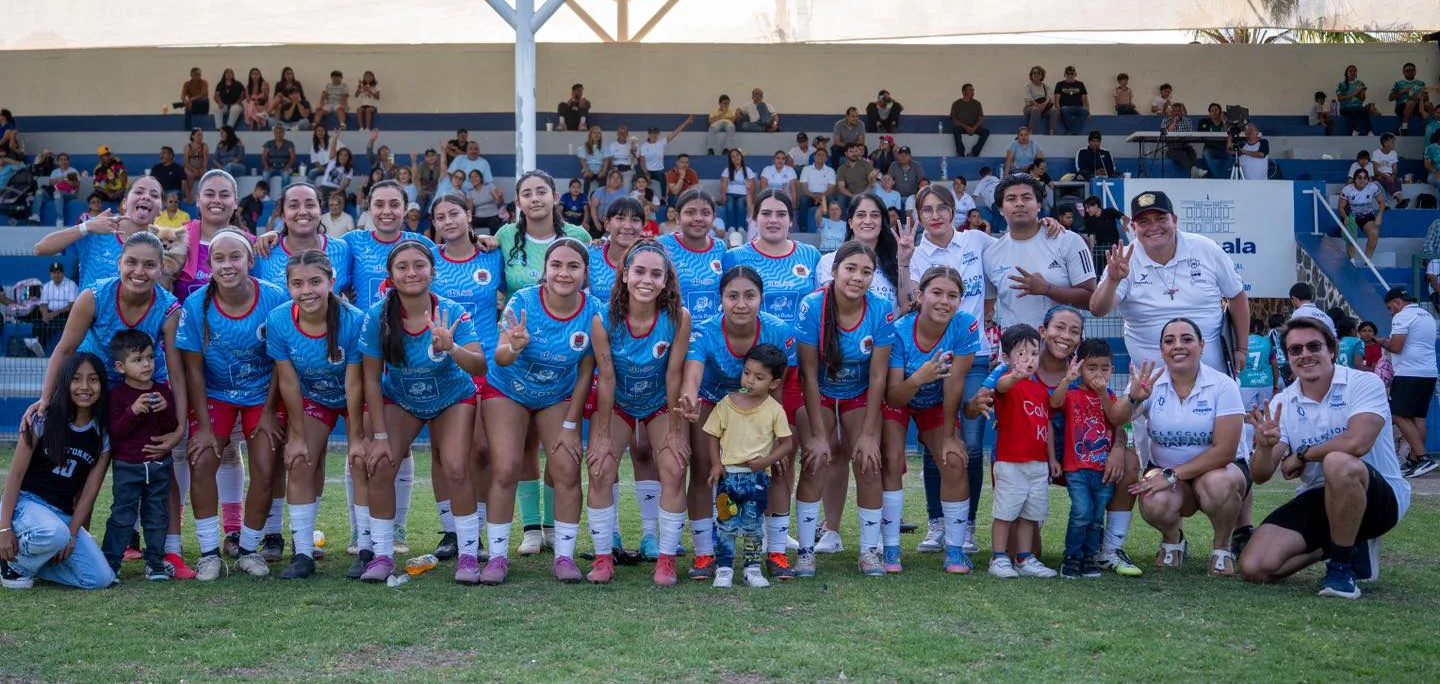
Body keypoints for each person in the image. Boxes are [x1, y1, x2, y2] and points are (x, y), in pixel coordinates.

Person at [1241, 317, 1412, 599]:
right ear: (1288, 358)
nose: (1305, 354)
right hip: (1320, 495)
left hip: (1377, 497)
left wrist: (1303, 454)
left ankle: (1340, 569)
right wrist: (1263, 445)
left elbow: (1357, 442)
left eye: (1313, 346)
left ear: (1331, 350)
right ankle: (1342, 543)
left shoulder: (1364, 383)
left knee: (1338, 462)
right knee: (1255, 567)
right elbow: (1260, 475)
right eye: (1295, 350)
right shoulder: (1283, 401)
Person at [356, 240, 487, 583]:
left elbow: (478, 366)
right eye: (402, 267)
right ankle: (383, 556)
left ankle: (469, 556)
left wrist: (451, 346)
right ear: (391, 275)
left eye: (419, 265)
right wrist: (380, 435)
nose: (411, 272)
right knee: (382, 465)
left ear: (433, 271)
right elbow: (370, 378)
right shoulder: (376, 317)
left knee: (457, 468)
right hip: (401, 399)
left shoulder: (452, 310)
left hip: (452, 398)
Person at [479, 238, 604, 584]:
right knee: (505, 467)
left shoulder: (594, 310)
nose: (564, 273)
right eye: (557, 265)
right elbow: (501, 357)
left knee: (566, 467)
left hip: (557, 395)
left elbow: (585, 372)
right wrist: (515, 347)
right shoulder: (522, 302)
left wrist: (569, 424)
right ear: (545, 270)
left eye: (573, 266)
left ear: (585, 272)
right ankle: (498, 558)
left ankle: (564, 557)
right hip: (508, 389)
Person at [177, 229, 290, 579]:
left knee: (266, 464)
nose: (227, 265)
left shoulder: (274, 298)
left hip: (262, 394)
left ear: (250, 261)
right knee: (203, 458)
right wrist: (207, 429)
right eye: (219, 259)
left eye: (235, 257)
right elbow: (193, 370)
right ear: (209, 265)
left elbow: (280, 362)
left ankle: (247, 549)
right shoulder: (197, 305)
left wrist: (270, 412)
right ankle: (209, 553)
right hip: (215, 394)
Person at [679, 266, 799, 582]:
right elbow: (692, 373)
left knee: (778, 468)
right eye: (733, 296)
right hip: (712, 401)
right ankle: (706, 553)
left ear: (761, 298)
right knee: (705, 469)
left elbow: (782, 387)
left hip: (763, 407)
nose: (741, 304)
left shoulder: (777, 330)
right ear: (720, 299)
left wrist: (777, 438)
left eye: (750, 296)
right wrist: (689, 397)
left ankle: (775, 552)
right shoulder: (705, 331)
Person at [585, 238, 692, 583]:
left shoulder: (678, 317)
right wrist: (600, 436)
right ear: (626, 274)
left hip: (660, 403)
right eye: (640, 271)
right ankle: (603, 559)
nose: (647, 280)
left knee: (674, 468)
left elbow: (674, 375)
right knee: (600, 468)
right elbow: (607, 378)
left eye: (656, 274)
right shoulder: (603, 319)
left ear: (666, 281)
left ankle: (666, 559)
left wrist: (676, 432)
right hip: (618, 403)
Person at [1118, 318, 1249, 575]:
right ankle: (1173, 539)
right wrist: (1133, 397)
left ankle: (1222, 546)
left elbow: (1225, 451)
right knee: (1152, 497)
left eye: (1187, 339)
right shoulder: (1149, 382)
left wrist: (1171, 476)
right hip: (1168, 473)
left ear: (1202, 345)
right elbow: (1118, 419)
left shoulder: (1223, 385)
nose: (1178, 346)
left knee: (1217, 484)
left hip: (1219, 472)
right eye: (1169, 341)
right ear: (1162, 350)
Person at [794, 242, 894, 576]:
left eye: (866, 271)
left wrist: (868, 434)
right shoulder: (812, 305)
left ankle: (868, 552)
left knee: (868, 463)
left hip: (858, 393)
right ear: (835, 271)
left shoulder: (881, 308)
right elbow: (807, 373)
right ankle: (806, 551)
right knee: (815, 460)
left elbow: (879, 375)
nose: (858, 277)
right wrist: (819, 435)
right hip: (819, 391)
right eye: (851, 269)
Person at [265, 249, 365, 579]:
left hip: (355, 394)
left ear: (331, 282)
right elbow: (288, 382)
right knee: (299, 461)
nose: (306, 290)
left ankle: (367, 548)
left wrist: (355, 440)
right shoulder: (279, 320)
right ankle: (303, 554)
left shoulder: (353, 320)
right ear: (288, 286)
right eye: (297, 284)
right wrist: (296, 435)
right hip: (314, 397)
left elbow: (355, 383)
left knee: (362, 461)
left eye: (315, 282)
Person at [905, 186, 995, 554]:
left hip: (976, 357)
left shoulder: (977, 241)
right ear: (919, 215)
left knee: (971, 446)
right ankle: (937, 523)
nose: (936, 215)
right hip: (934, 362)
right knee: (935, 442)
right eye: (927, 209)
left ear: (955, 210)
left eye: (943, 208)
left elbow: (991, 292)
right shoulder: (916, 254)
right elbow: (910, 304)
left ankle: (967, 525)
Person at [887, 266, 980, 574]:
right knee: (890, 459)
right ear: (920, 295)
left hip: (935, 404)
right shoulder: (900, 330)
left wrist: (952, 435)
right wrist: (920, 377)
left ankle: (954, 549)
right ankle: (889, 548)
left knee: (953, 459)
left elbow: (955, 382)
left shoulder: (965, 325)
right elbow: (894, 396)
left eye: (952, 296)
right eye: (937, 293)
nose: (944, 301)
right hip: (899, 399)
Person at [0, 353, 115, 590]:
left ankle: (33, 563)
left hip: (61, 515)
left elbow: (90, 492)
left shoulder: (101, 434)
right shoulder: (42, 419)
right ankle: (12, 567)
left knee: (100, 579)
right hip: (27, 505)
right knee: (54, 534)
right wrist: (4, 527)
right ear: (64, 383)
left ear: (102, 385)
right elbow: (16, 476)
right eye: (76, 379)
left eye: (93, 380)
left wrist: (72, 534)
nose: (85, 387)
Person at [701, 343, 794, 588]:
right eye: (747, 373)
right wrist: (716, 464)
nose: (750, 380)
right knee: (726, 525)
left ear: (773, 383)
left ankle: (752, 569)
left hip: (757, 481)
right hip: (728, 478)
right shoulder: (726, 403)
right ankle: (724, 568)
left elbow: (787, 444)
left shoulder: (775, 410)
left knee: (754, 526)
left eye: (759, 377)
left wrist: (766, 461)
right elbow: (712, 434)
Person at [99, 329, 179, 581]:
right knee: (122, 515)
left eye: (150, 357)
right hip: (127, 467)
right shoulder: (117, 396)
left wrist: (165, 410)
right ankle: (110, 564)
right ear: (121, 367)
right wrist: (133, 411)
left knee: (156, 515)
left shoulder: (163, 391)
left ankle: (155, 563)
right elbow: (116, 432)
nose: (146, 364)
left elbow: (169, 427)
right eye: (138, 360)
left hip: (158, 466)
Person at [986, 324, 1058, 579]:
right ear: (1006, 357)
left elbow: (1046, 424)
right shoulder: (1007, 382)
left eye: (1034, 353)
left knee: (1030, 514)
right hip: (1011, 462)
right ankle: (999, 557)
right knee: (1005, 512)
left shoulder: (1039, 389)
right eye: (1021, 353)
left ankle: (1025, 559)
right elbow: (1002, 387)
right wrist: (1014, 375)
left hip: (1037, 464)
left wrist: (1051, 458)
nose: (1029, 359)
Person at [1049, 338, 1125, 579]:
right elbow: (1054, 403)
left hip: (1104, 470)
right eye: (1091, 368)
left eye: (1105, 368)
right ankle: (1071, 557)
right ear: (1079, 367)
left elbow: (1116, 420)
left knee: (1095, 516)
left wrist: (1103, 393)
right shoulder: (1072, 394)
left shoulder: (1111, 396)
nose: (1098, 374)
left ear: (1112, 369)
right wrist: (1067, 379)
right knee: (1081, 512)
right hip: (1077, 467)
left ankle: (1089, 557)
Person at [983, 174, 1096, 330]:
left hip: (1062, 349)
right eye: (1011, 199)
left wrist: (1048, 289)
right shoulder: (991, 254)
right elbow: (986, 308)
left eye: (1026, 197)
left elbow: (1092, 300)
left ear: (1039, 204)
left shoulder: (1069, 241)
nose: (1019, 203)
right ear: (1001, 209)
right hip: (1016, 351)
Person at [34, 176, 165, 289]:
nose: (146, 197)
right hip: (90, 318)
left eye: (154, 195)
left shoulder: (161, 246)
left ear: (160, 209)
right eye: (139, 192)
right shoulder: (96, 230)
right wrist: (87, 226)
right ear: (124, 203)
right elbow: (41, 249)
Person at [1374, 287, 1439, 478]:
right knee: (1418, 418)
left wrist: (1383, 342)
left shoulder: (1402, 317)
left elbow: (1396, 347)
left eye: (1389, 307)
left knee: (1399, 416)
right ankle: (1414, 461)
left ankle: (1424, 457)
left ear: (1397, 302)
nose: (1390, 311)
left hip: (1409, 373)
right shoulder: (1426, 315)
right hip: (1428, 373)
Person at [252, 183, 353, 293]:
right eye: (293, 206)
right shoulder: (264, 252)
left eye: (310, 205)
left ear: (320, 211)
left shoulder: (341, 249)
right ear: (282, 214)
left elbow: (350, 296)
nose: (303, 212)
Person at [658, 188, 727, 323]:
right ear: (678, 218)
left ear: (713, 217)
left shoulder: (720, 248)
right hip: (673, 331)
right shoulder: (662, 245)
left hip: (711, 334)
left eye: (705, 213)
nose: (698, 218)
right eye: (690, 212)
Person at [1339, 168, 1385, 265]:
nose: (1362, 180)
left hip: (1367, 215)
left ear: (1368, 179)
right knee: (1351, 233)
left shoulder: (1373, 187)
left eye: (1365, 178)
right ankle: (1352, 261)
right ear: (1354, 179)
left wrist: (1379, 215)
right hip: (1350, 215)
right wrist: (1346, 218)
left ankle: (1367, 261)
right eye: (1359, 178)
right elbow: (1341, 207)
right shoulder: (1347, 189)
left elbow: (1381, 203)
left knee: (1374, 232)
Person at [797, 147, 836, 233]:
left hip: (825, 195)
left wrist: (822, 196)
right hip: (810, 195)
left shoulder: (830, 171)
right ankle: (803, 227)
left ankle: (833, 227)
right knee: (803, 200)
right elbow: (803, 186)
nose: (821, 157)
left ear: (826, 159)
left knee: (831, 200)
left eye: (823, 155)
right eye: (818, 155)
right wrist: (813, 196)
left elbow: (831, 187)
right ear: (814, 157)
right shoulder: (806, 169)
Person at [719, 149, 756, 234]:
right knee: (730, 203)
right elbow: (723, 184)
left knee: (740, 203)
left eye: (737, 155)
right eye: (733, 156)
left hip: (744, 195)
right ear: (730, 160)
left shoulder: (748, 170)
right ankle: (731, 227)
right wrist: (723, 196)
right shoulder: (727, 170)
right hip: (730, 194)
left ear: (741, 157)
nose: (736, 158)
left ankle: (741, 227)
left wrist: (750, 196)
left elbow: (753, 186)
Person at [835, 143, 875, 216]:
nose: (854, 153)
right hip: (851, 195)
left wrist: (863, 194)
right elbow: (841, 187)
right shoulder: (841, 169)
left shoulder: (866, 164)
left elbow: (872, 183)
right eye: (851, 151)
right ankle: (844, 223)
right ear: (846, 154)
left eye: (856, 151)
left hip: (867, 192)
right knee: (841, 198)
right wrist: (852, 196)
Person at [1022, 65, 1058, 135]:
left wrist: (1044, 104)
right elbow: (1028, 98)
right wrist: (1038, 105)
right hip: (1030, 107)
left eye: (1038, 73)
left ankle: (1051, 132)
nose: (1036, 75)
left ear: (1042, 75)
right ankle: (1031, 132)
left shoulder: (1045, 86)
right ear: (1031, 75)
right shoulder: (1028, 86)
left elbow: (1049, 97)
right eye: (1034, 73)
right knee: (1036, 110)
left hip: (1044, 107)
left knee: (1054, 111)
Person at [1055, 66, 1090, 135]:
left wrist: (1088, 111)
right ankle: (1074, 132)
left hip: (1078, 108)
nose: (1070, 75)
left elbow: (1085, 99)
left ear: (1075, 74)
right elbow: (1056, 100)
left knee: (1085, 111)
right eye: (1068, 73)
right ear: (1065, 74)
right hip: (1065, 108)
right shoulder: (1060, 84)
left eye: (1072, 73)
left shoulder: (1080, 84)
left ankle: (1071, 131)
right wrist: (1058, 111)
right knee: (1064, 110)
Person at [181, 67, 209, 132]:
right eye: (195, 74)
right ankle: (187, 130)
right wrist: (185, 101)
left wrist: (191, 99)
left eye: (199, 74)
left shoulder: (204, 82)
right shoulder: (186, 84)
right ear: (191, 75)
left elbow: (203, 94)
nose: (198, 76)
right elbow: (183, 95)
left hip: (203, 104)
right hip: (191, 105)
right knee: (188, 108)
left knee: (194, 103)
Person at [182, 131, 208, 202]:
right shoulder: (187, 147)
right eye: (198, 135)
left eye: (201, 135)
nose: (200, 137)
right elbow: (186, 162)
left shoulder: (204, 146)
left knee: (206, 175)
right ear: (193, 136)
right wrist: (193, 169)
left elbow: (205, 160)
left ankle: (204, 196)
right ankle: (187, 196)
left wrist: (203, 169)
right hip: (190, 168)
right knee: (190, 175)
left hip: (201, 168)